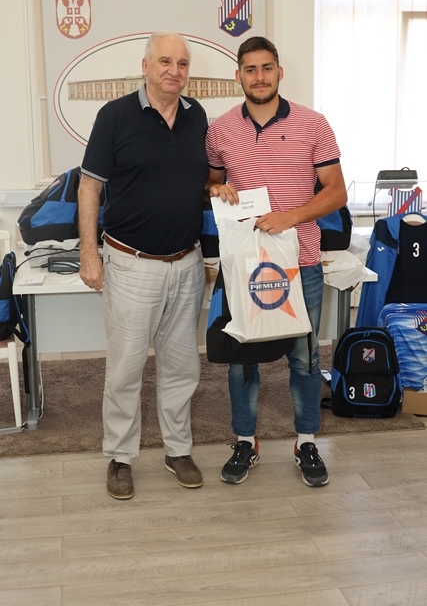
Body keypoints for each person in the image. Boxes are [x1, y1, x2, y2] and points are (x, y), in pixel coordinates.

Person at [205, 36, 347, 487]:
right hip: (244, 264)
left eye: (267, 67)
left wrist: (290, 217)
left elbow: (337, 193)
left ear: (280, 72)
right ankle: (245, 442)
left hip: (300, 263)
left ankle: (306, 442)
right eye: (250, 69)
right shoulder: (220, 129)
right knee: (241, 357)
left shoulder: (313, 124)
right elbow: (209, 182)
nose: (260, 76)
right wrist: (215, 189)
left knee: (304, 358)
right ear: (239, 76)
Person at [78, 31, 208, 499]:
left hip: (187, 264)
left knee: (181, 367)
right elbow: (89, 188)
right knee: (126, 369)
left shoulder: (197, 117)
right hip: (132, 265)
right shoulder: (114, 116)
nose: (175, 70)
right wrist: (88, 253)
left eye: (182, 63)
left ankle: (178, 450)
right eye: (165, 61)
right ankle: (120, 457)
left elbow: (196, 179)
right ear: (146, 65)